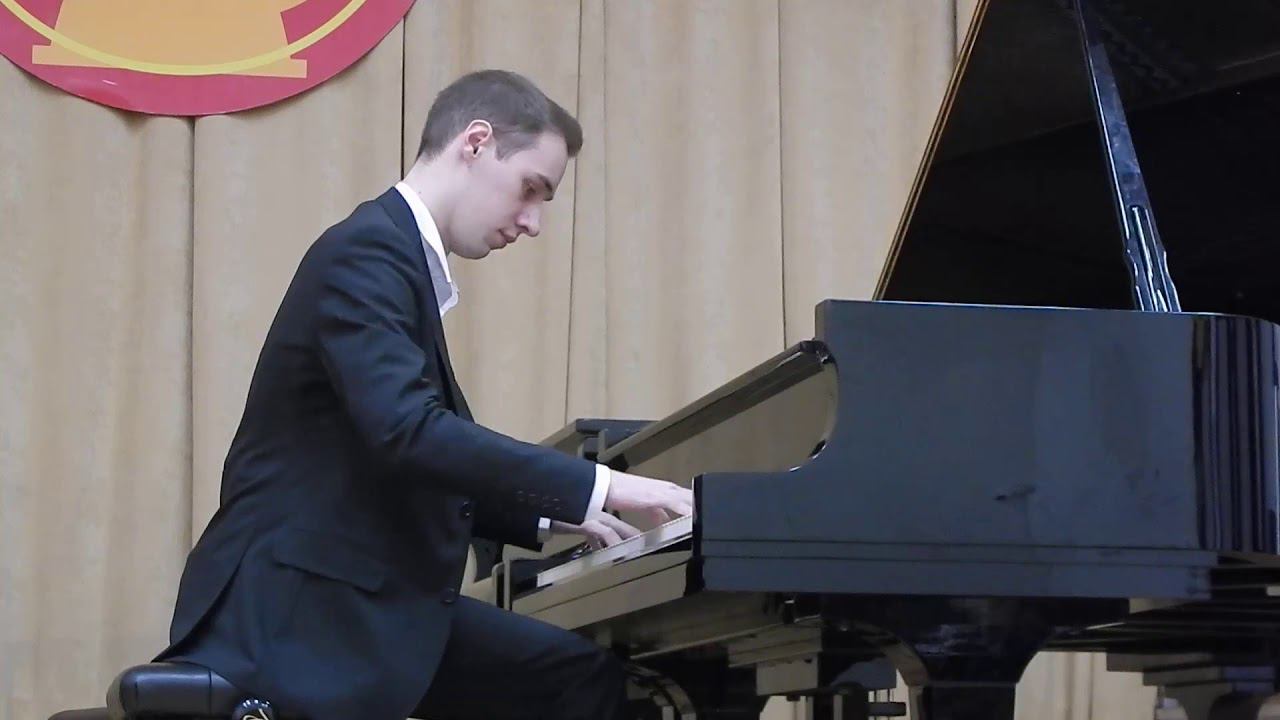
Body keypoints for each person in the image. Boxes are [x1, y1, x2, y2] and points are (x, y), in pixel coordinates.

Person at [155, 69, 693, 720]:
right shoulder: (368, 252)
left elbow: (404, 458)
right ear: (476, 142)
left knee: (577, 677)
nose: (533, 223)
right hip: (295, 614)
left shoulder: (391, 255)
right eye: (531, 189)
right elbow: (408, 432)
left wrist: (553, 515)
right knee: (580, 684)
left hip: (337, 596)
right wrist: (604, 486)